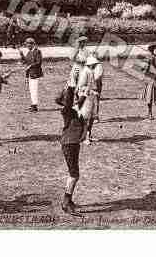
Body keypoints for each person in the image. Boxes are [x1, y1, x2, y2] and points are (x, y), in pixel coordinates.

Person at [60, 85, 88, 216]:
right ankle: (66, 202)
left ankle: (68, 200)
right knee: (74, 175)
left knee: (74, 174)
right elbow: (75, 102)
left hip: (73, 144)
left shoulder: (76, 111)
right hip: (69, 144)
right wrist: (72, 87)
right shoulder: (68, 111)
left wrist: (83, 92)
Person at [76, 55, 100, 144]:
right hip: (86, 97)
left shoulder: (91, 71)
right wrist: (91, 92)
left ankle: (89, 135)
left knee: (92, 117)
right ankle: (84, 137)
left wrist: (94, 92)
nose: (95, 66)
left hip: (92, 97)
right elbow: (81, 87)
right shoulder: (85, 72)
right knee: (85, 117)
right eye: (93, 64)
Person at [18, 37, 43, 112]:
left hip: (35, 74)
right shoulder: (29, 52)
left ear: (32, 44)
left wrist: (30, 66)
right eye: (26, 45)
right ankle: (33, 104)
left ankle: (34, 106)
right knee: (31, 90)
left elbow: (38, 62)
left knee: (34, 89)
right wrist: (21, 55)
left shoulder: (37, 52)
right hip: (30, 73)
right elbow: (26, 61)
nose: (27, 46)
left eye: (28, 45)